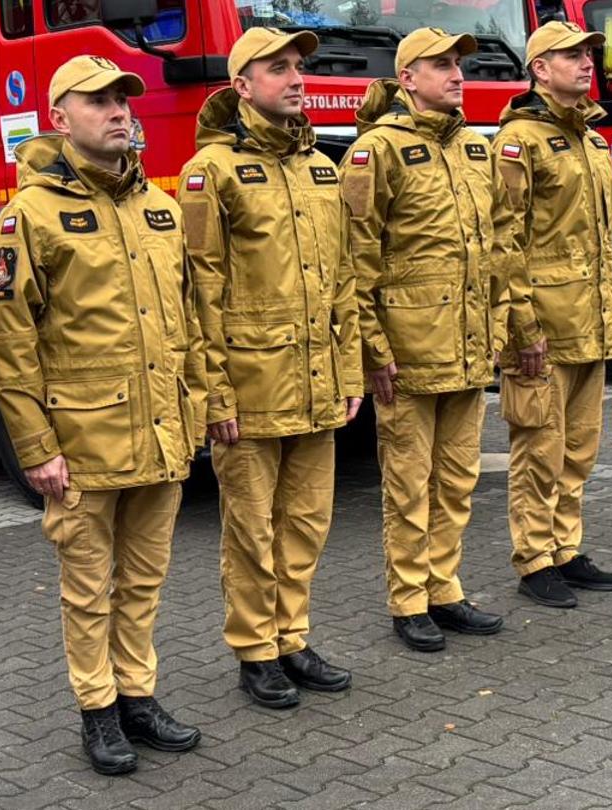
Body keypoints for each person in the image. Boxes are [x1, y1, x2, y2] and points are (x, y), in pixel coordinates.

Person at [0, 55, 206, 775]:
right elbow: (11, 344)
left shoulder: (162, 208)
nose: (118, 111)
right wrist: (36, 447)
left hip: (160, 431)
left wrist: (195, 409)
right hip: (82, 439)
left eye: (122, 99)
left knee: (145, 579)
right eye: (98, 101)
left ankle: (139, 696)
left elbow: (192, 323)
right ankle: (97, 710)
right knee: (88, 588)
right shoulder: (30, 216)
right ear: (60, 118)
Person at [177, 28, 364, 709]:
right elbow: (199, 291)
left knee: (306, 522)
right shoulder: (212, 172)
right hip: (250, 388)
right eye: (276, 68)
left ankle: (294, 637)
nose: (295, 77)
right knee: (251, 529)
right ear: (242, 86)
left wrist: (349, 373)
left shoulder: (321, 167)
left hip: (315, 385)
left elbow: (343, 280)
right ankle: (255, 650)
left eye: (298, 67)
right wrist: (214, 394)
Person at [343, 27, 508, 652]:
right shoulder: (377, 150)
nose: (457, 75)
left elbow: (491, 250)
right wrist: (373, 350)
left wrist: (494, 330)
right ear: (407, 78)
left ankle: (446, 589)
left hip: (467, 349)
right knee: (409, 485)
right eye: (440, 65)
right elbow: (356, 256)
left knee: (457, 479)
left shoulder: (472, 146)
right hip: (408, 352)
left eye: (458, 65)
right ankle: (409, 600)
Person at [490, 20, 612, 609]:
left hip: (589, 322)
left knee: (578, 449)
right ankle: (533, 558)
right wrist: (522, 329)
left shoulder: (593, 140)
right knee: (538, 448)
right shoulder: (518, 140)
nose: (585, 62)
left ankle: (565, 548)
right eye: (570, 55)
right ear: (540, 69)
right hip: (544, 327)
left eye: (588, 54)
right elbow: (505, 241)